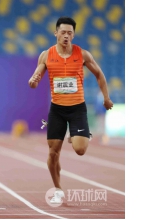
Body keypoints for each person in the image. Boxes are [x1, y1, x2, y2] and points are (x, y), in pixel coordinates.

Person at [28, 17, 114, 203]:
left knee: (80, 149)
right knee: (53, 153)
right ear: (56, 33)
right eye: (63, 32)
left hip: (77, 109)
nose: (66, 36)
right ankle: (57, 188)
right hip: (57, 110)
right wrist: (32, 82)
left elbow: (99, 74)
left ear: (73, 35)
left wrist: (106, 98)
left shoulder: (82, 54)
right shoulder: (46, 55)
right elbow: (35, 80)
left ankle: (75, 136)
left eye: (69, 33)